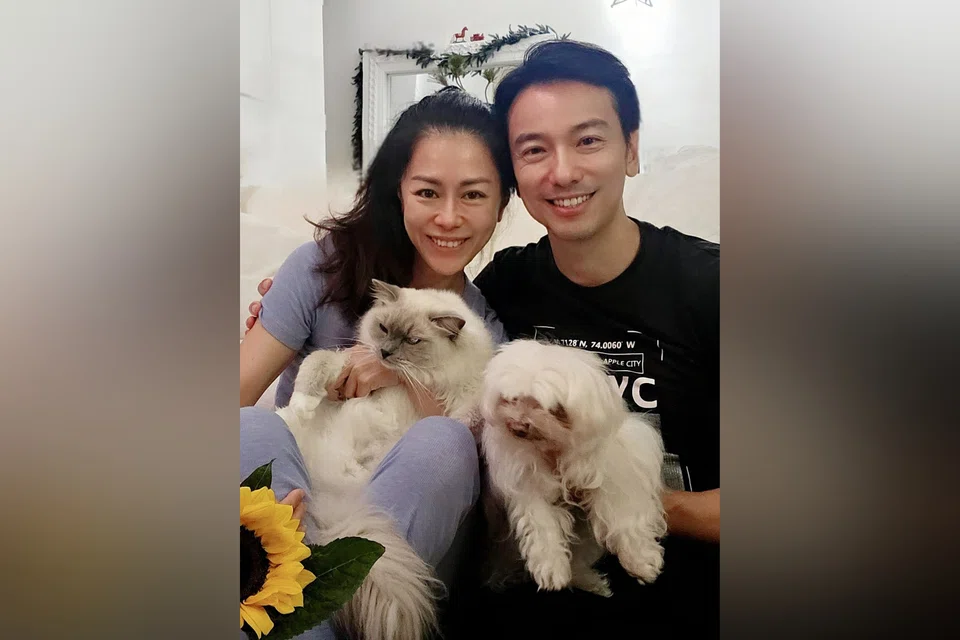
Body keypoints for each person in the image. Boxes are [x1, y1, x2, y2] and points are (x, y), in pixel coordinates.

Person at [249, 40, 719, 637]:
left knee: (440, 446)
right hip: (448, 556)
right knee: (256, 429)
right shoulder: (506, 288)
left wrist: (615, 494)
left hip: (654, 584)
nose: (563, 170)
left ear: (631, 148)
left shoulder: (712, 287)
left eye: (588, 140)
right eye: (535, 150)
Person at [240, 86, 515, 639]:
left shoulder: (482, 328)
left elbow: (477, 465)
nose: (449, 217)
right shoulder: (323, 268)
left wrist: (395, 367)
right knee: (250, 424)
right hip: (298, 503)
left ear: (503, 202)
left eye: (474, 195)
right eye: (428, 192)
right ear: (399, 193)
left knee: (445, 442)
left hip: (403, 533)